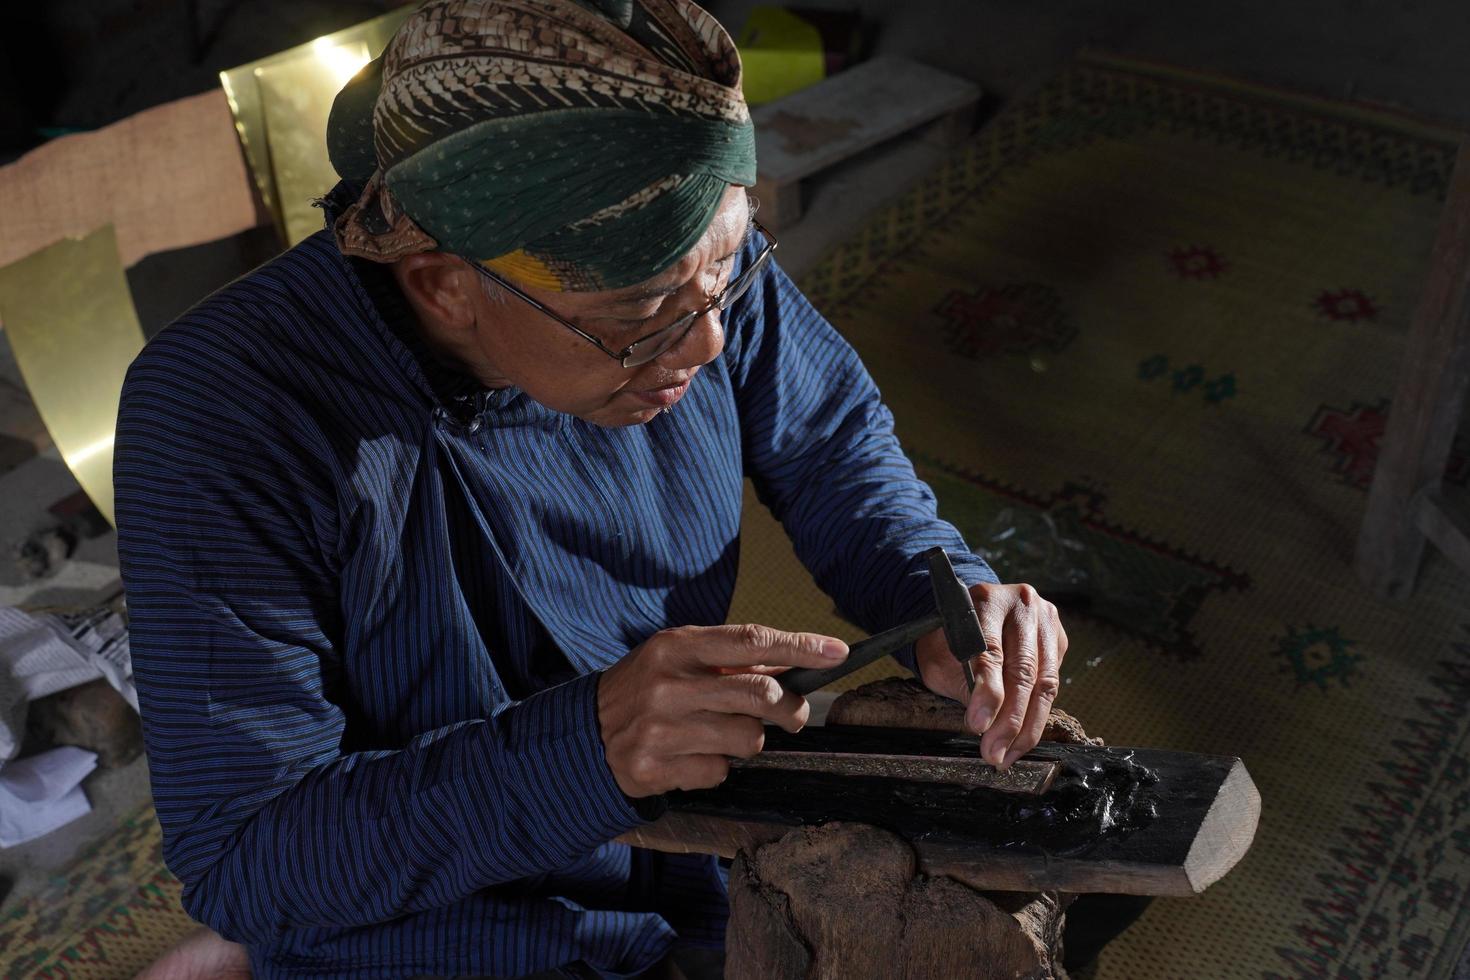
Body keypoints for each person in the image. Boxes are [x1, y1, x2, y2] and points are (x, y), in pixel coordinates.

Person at [114, 1, 1068, 976]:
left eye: (729, 273)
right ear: (444, 283)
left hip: (691, 839)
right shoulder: (220, 419)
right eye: (641, 318)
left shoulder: (685, 256)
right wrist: (591, 747)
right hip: (429, 928)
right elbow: (243, 863)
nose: (706, 344)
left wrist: (937, 583)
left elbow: (831, 445)